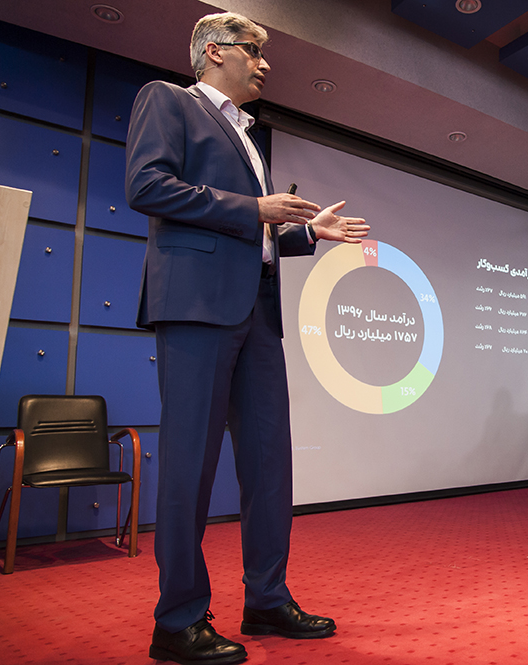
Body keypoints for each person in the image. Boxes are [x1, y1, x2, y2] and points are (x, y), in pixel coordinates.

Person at [126, 12, 369, 665]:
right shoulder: (168, 100)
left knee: (269, 463)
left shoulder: (248, 135)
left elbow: (248, 235)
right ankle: (177, 620)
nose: (265, 64)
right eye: (254, 50)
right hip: (196, 306)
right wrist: (255, 209)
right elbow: (147, 185)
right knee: (190, 466)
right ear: (214, 52)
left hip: (257, 311)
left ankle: (266, 598)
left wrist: (305, 232)